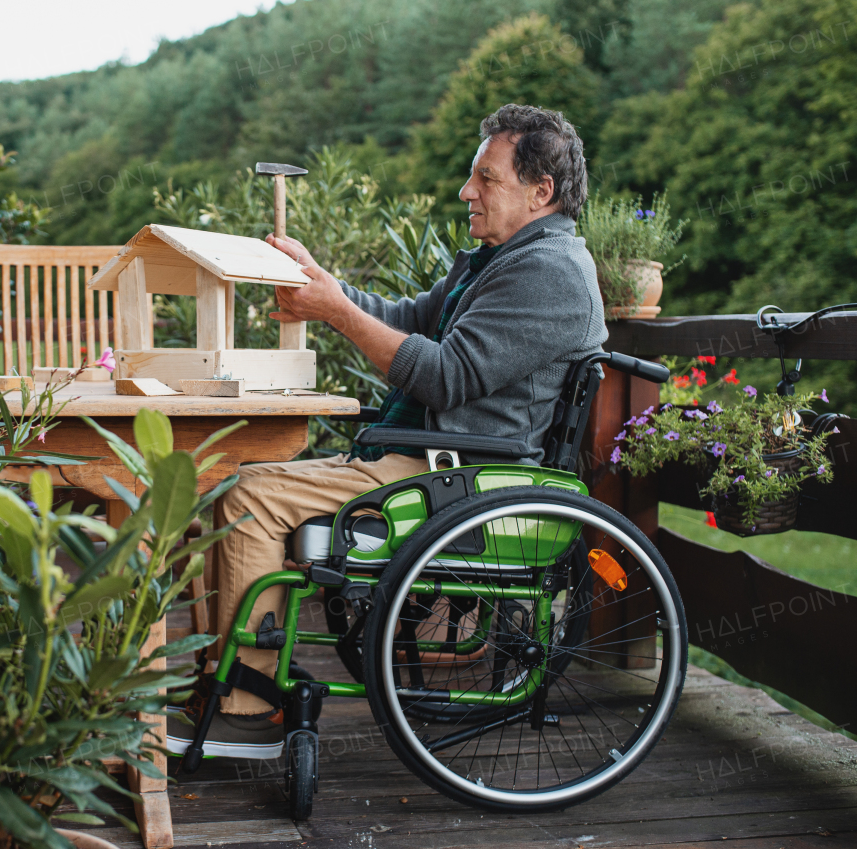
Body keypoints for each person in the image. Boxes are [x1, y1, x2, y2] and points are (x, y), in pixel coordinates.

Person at [168, 103, 607, 759]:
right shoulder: (499, 258)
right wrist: (323, 287)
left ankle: (249, 710)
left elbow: (445, 377)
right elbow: (409, 317)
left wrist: (336, 311)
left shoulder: (550, 275)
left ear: (540, 191)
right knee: (229, 483)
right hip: (435, 459)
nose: (468, 191)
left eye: (486, 178)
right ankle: (222, 683)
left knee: (248, 499)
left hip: (463, 479)